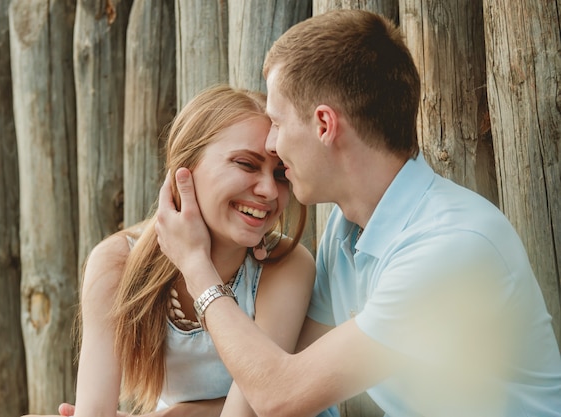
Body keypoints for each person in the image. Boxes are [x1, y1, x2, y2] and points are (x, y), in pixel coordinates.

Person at [154, 9, 561, 417]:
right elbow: (287, 374)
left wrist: (195, 265)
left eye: (277, 123)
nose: (273, 144)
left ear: (325, 125)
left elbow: (281, 396)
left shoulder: (451, 247)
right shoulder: (346, 231)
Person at [25, 85, 338, 417]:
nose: (268, 190)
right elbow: (95, 412)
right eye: (246, 164)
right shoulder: (115, 262)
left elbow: (250, 411)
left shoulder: (285, 267)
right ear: (184, 169)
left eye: (280, 174)